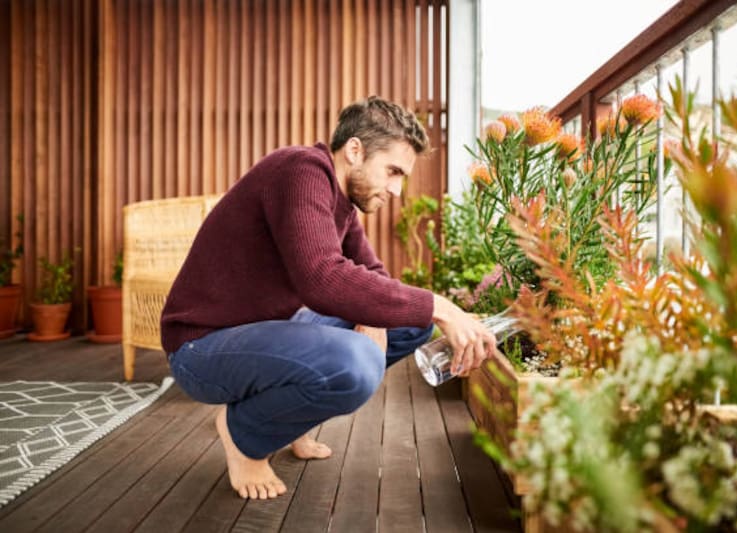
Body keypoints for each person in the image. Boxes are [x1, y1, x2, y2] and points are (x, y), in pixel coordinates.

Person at [160, 96, 498, 500]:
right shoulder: (300, 170)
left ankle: (286, 420)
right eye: (392, 171)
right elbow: (320, 277)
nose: (396, 189)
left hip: (268, 333)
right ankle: (244, 434)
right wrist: (441, 306)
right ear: (355, 150)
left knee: (408, 323)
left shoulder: (342, 205)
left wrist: (378, 313)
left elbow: (372, 276)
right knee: (355, 364)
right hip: (203, 347)